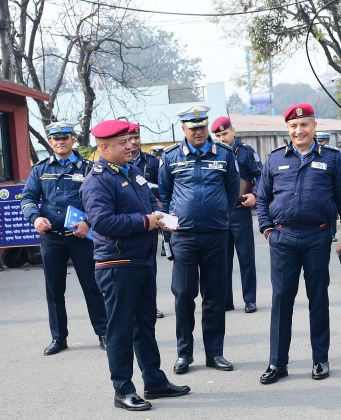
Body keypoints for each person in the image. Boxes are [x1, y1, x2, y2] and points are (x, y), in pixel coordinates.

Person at [81, 119, 189, 411]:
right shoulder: (98, 180)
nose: (131, 146)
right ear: (104, 148)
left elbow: (147, 205)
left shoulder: (131, 171)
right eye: (123, 143)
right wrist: (146, 222)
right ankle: (123, 390)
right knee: (120, 331)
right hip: (117, 264)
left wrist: (161, 217)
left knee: (145, 324)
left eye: (131, 140)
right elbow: (102, 222)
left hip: (141, 260)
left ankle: (154, 382)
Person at [256, 103, 341, 384]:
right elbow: (262, 198)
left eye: (304, 125)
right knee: (281, 301)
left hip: (317, 237)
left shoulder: (333, 159)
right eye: (293, 126)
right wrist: (267, 230)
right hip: (283, 239)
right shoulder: (275, 159)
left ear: (314, 126)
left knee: (318, 299)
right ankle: (277, 363)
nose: (298, 130)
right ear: (288, 129)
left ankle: (320, 359)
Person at [159, 104, 240, 374]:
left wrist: (220, 215)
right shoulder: (170, 156)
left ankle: (215, 353)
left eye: (202, 127)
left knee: (214, 295)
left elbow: (232, 192)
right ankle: (184, 354)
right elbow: (165, 195)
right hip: (183, 236)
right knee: (183, 294)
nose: (198, 132)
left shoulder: (224, 154)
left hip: (216, 234)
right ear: (183, 128)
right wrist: (171, 224)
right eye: (193, 128)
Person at [21, 121, 108, 356]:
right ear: (50, 142)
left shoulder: (88, 168)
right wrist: (35, 218)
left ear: (73, 140)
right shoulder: (40, 169)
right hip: (52, 238)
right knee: (54, 289)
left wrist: (88, 221)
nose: (61, 142)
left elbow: (99, 200)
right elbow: (28, 198)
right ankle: (59, 338)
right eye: (56, 139)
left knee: (92, 286)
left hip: (82, 238)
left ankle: (104, 333)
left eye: (65, 138)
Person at [211, 116, 262, 313]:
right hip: (220, 214)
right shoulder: (213, 153)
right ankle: (226, 300)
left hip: (240, 212)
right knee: (222, 260)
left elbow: (262, 176)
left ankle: (250, 299)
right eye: (218, 136)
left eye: (225, 134)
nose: (222, 139)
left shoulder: (246, 153)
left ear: (233, 131)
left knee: (246, 258)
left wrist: (255, 194)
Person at [126, 122, 165, 319]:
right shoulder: (119, 165)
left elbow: (163, 188)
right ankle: (131, 308)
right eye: (129, 139)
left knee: (150, 268)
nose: (133, 142)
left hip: (150, 221)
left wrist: (161, 205)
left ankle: (151, 306)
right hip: (129, 223)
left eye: (136, 138)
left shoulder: (152, 161)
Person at [316, 132, 338, 242]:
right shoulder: (314, 153)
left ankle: (332, 234)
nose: (320, 143)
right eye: (319, 141)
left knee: (331, 211)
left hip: (331, 188)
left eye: (322, 141)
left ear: (327, 141)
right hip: (320, 189)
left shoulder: (333, 154)